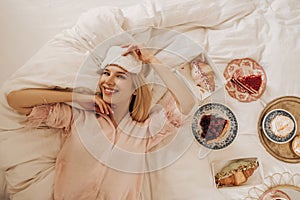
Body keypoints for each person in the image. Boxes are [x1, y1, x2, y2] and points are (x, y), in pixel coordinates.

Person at [6, 44, 196, 200]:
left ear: (136, 88)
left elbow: (186, 104)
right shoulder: (79, 118)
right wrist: (76, 97)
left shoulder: (144, 131)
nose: (109, 81)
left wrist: (152, 60)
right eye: (106, 73)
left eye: (120, 76)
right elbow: (15, 100)